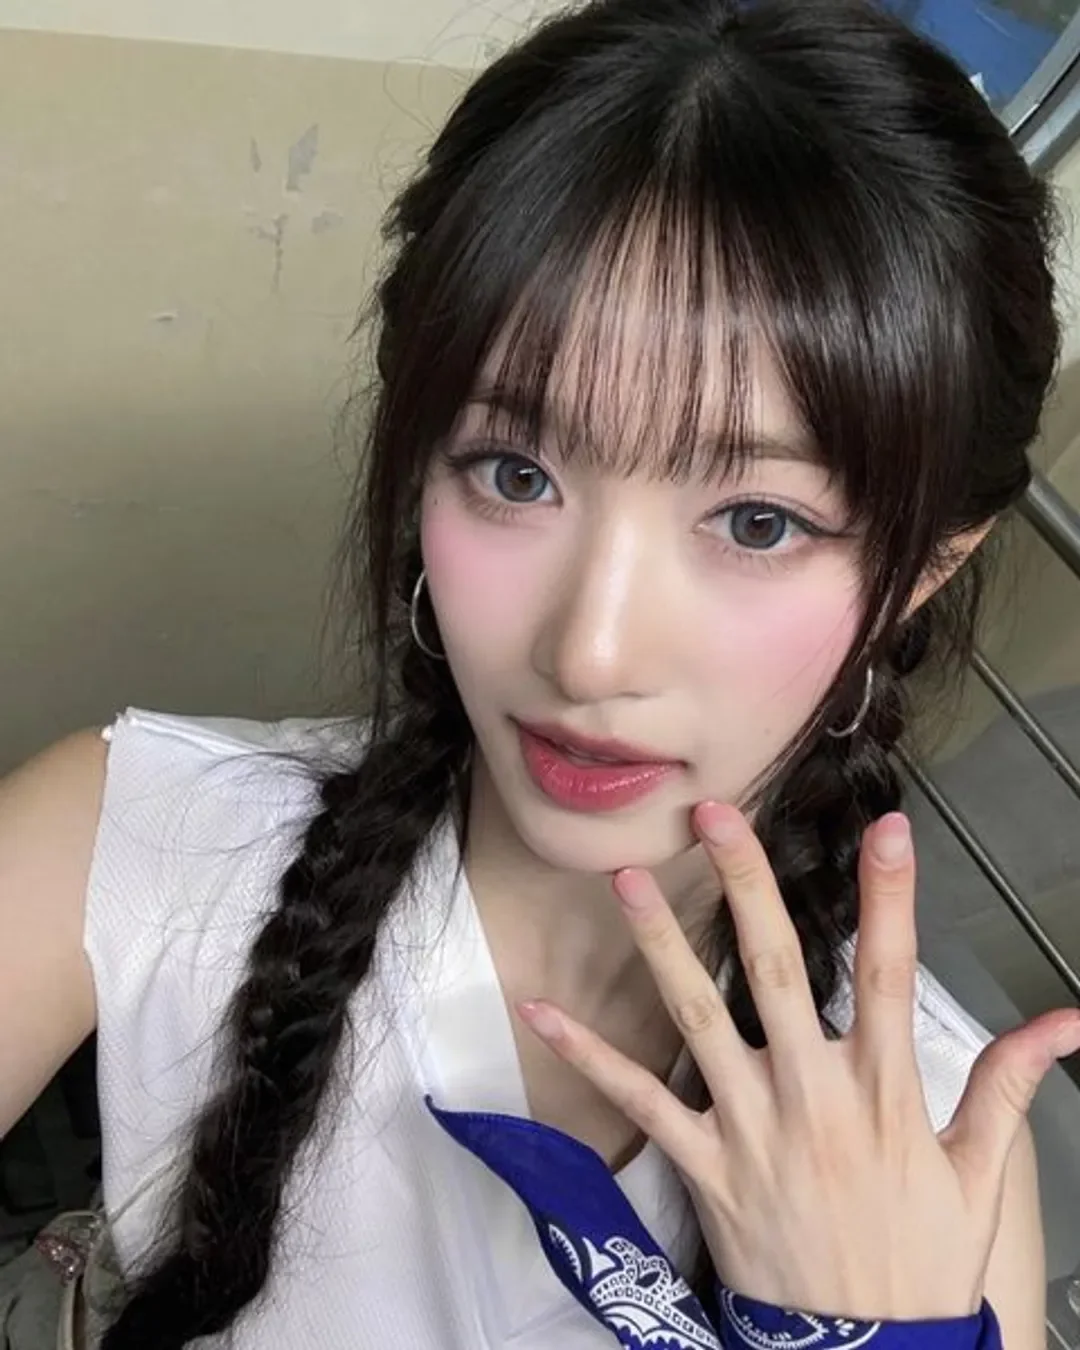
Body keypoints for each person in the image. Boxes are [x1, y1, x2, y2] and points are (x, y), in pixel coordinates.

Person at [1, 0, 1077, 1346]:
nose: (588, 650)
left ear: (924, 568)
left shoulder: (939, 1154)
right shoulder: (128, 839)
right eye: (516, 473)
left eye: (758, 521)